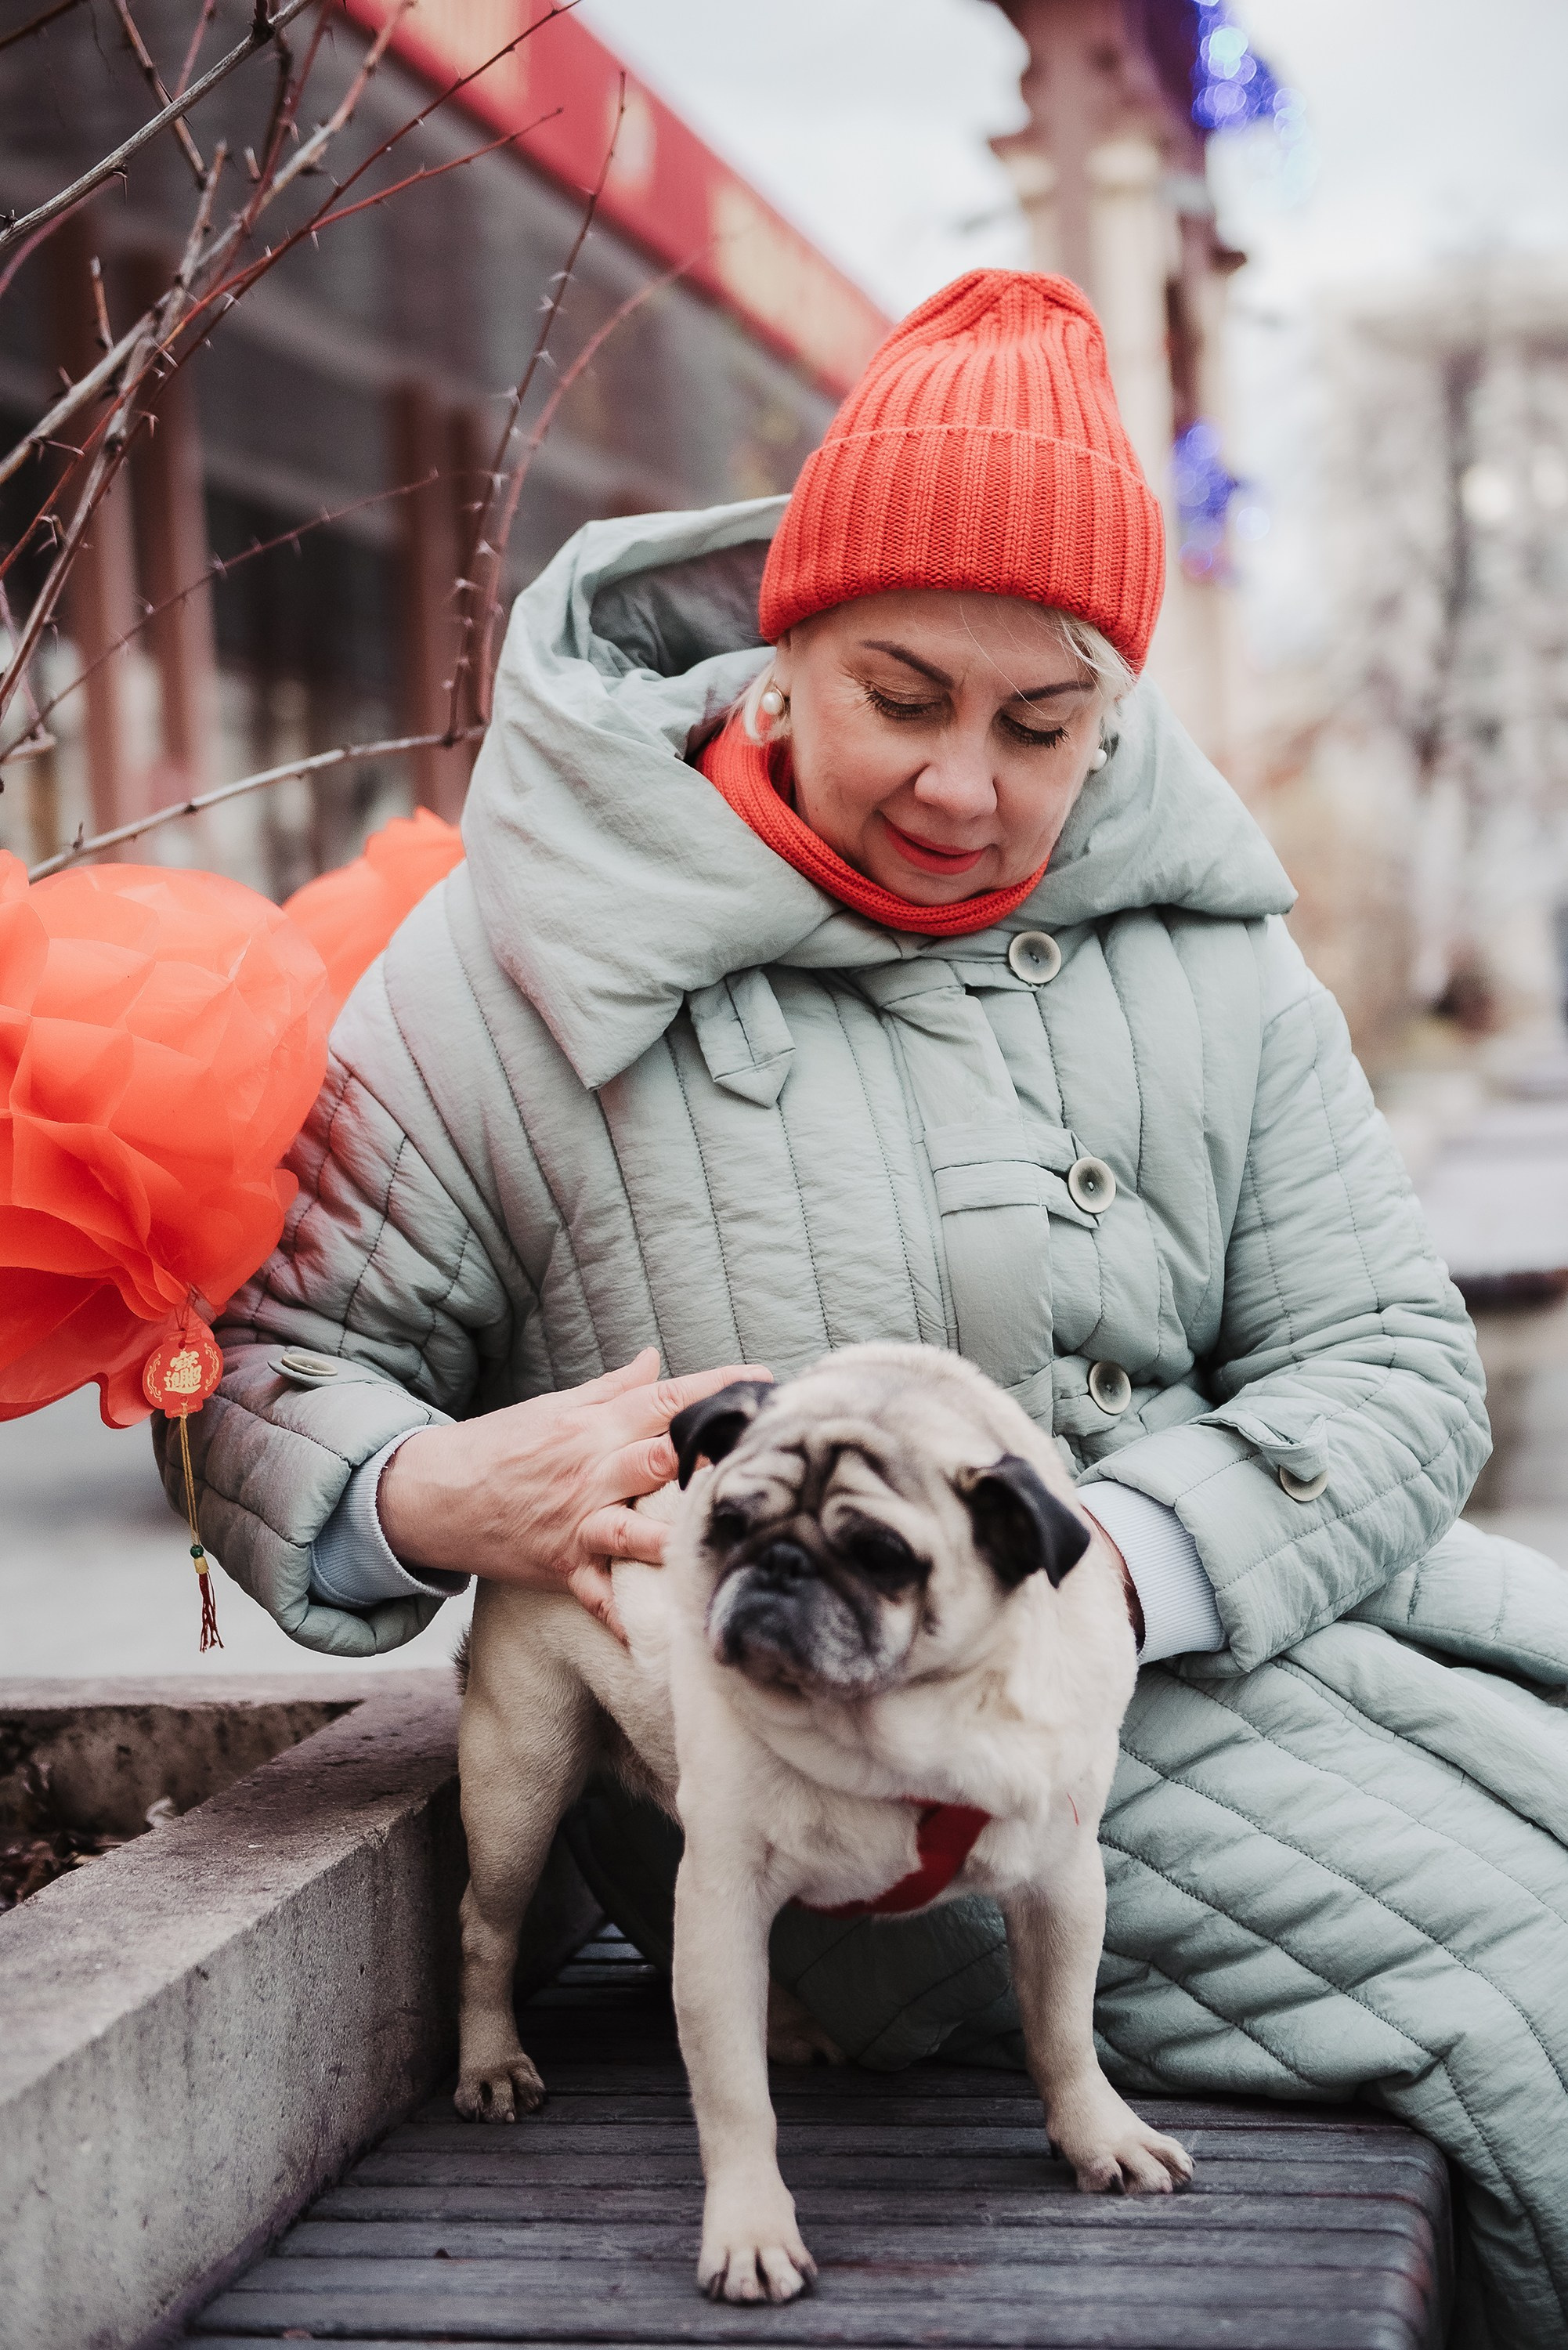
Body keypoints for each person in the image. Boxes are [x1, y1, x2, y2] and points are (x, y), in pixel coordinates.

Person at [171, 271, 1568, 2350]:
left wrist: (1127, 1562)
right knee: (1532, 2005)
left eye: (1040, 724)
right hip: (851, 1818)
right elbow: (264, 1372)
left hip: (1231, 1655)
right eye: (899, 694)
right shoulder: (510, 966)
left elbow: (1381, 1364)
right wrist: (421, 1487)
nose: (962, 787)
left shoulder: (1206, 965)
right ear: (782, 643)